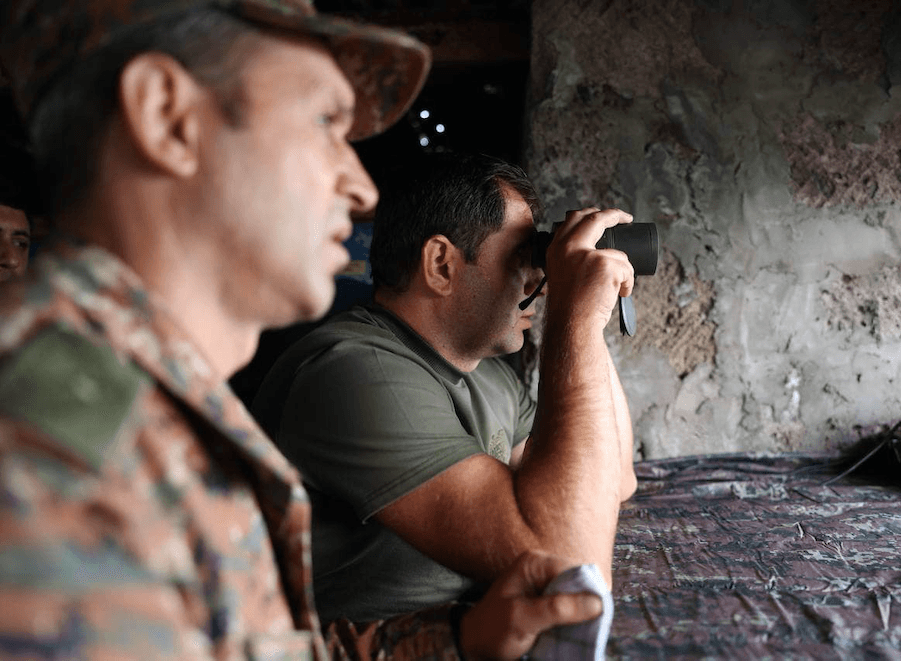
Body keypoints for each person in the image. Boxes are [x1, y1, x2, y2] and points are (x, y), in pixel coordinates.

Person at [0, 2, 605, 659]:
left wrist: (455, 640)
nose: (361, 188)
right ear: (168, 117)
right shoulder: (50, 455)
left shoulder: (154, 399)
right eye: (324, 122)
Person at [251, 152, 639, 625]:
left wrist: (589, 321)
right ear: (441, 264)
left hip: (469, 635)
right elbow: (570, 568)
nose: (541, 277)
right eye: (524, 256)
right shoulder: (353, 372)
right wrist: (572, 320)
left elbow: (613, 483)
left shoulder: (490, 374)